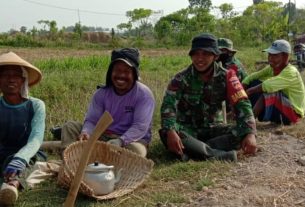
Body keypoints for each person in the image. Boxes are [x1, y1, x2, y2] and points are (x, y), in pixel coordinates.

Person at [159, 33, 257, 162]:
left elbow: (242, 104)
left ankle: (195, 151)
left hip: (213, 128)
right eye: (196, 54)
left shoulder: (228, 76)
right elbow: (168, 106)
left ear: (215, 56)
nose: (200, 59)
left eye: (206, 54)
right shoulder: (180, 79)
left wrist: (250, 134)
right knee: (167, 133)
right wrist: (171, 131)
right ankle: (221, 155)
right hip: (188, 130)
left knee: (243, 131)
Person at [61, 48, 155, 157]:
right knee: (70, 127)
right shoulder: (101, 93)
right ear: (111, 72)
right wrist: (86, 132)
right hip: (102, 135)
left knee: (137, 151)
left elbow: (139, 127)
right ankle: (70, 159)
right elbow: (92, 121)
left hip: (131, 140)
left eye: (126, 71)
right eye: (117, 71)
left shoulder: (144, 94)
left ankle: (92, 155)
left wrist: (120, 141)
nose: (121, 75)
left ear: (134, 74)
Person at [0, 52, 46, 205]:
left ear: (23, 80)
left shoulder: (36, 105)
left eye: (16, 75)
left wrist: (20, 158)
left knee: (26, 165)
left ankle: (12, 186)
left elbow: (36, 138)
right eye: (6, 75)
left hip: (28, 154)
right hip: (2, 151)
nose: (11, 79)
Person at [242, 39, 305, 125]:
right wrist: (243, 87)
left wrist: (249, 91)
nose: (270, 59)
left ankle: (249, 124)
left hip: (293, 114)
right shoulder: (272, 68)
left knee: (268, 90)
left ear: (286, 57)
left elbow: (268, 85)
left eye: (275, 56)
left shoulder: (291, 72)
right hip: (281, 107)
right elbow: (252, 76)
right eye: (269, 55)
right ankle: (243, 114)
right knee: (253, 82)